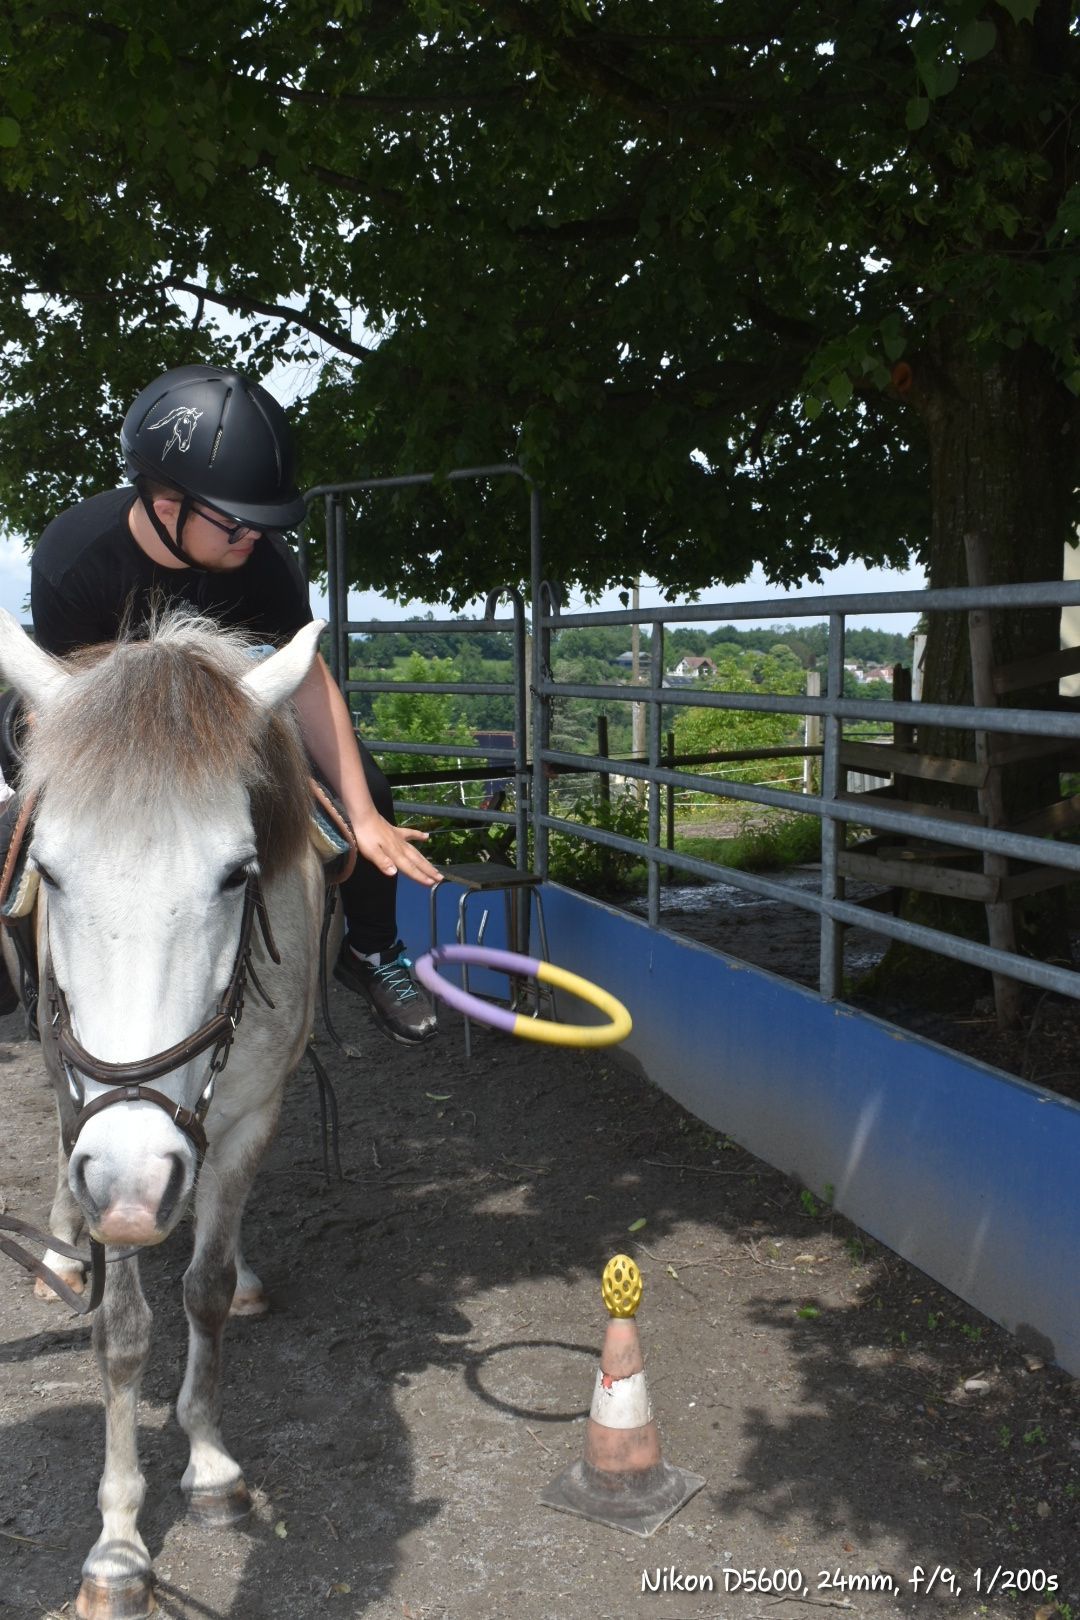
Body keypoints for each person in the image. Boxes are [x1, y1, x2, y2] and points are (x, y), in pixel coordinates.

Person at [9, 363, 441, 1044]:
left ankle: (373, 949)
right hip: (94, 714)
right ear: (165, 501)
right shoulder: (76, 555)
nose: (252, 536)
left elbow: (305, 674)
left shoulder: (262, 562)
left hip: (220, 708)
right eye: (236, 522)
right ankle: (33, 968)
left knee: (374, 790)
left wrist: (362, 817)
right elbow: (58, 700)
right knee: (18, 815)